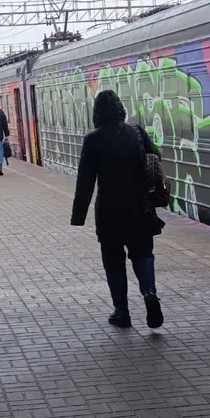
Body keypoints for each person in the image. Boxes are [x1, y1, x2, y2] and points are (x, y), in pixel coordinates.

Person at [71, 90, 164, 330]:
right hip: (140, 209)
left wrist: (78, 216)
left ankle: (122, 312)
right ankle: (150, 293)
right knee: (143, 254)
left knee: (113, 262)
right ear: (121, 109)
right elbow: (156, 157)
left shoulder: (93, 140)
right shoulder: (138, 132)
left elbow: (85, 181)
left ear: (97, 113)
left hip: (109, 212)